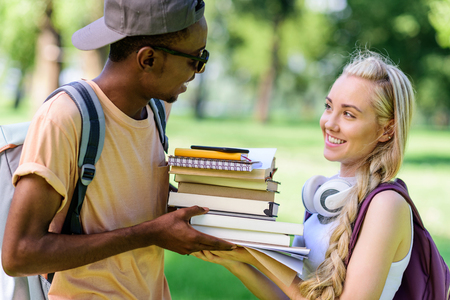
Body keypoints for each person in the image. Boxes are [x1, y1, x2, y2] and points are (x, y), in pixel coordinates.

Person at [1, 0, 235, 298]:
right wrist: (150, 233)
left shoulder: (156, 112)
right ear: (148, 59)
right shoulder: (65, 117)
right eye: (196, 59)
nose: (198, 71)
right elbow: (19, 255)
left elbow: (124, 206)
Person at [192, 50, 416, 300]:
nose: (330, 123)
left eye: (349, 114)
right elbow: (294, 296)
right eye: (329, 106)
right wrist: (237, 261)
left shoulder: (387, 205)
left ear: (387, 130)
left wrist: (264, 257)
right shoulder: (328, 196)